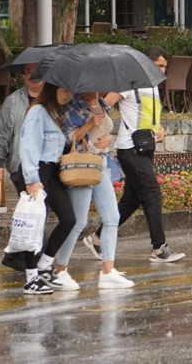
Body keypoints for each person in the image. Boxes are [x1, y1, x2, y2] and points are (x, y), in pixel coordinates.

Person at [83, 45, 185, 263]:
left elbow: (147, 115)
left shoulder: (154, 86)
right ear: (147, 64)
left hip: (146, 147)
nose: (163, 71)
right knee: (152, 193)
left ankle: (97, 238)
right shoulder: (129, 84)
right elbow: (103, 105)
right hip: (129, 149)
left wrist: (159, 128)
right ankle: (159, 248)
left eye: (165, 67)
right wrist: (100, 131)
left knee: (131, 200)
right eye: (159, 66)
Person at [51, 92, 134, 290]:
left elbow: (104, 130)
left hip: (99, 162)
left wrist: (106, 140)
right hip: (81, 164)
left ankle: (108, 271)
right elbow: (69, 138)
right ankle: (59, 270)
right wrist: (89, 123)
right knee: (78, 221)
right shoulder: (71, 105)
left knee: (112, 216)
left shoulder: (101, 103)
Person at [18, 83, 77, 294]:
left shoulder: (57, 113)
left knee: (69, 219)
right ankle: (31, 278)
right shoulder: (37, 112)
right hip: (38, 171)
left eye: (70, 91)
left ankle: (44, 265)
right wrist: (32, 179)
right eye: (65, 90)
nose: (68, 95)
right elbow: (28, 146)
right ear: (53, 89)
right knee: (35, 225)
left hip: (53, 172)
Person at [0, 63, 44, 272]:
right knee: (34, 212)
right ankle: (37, 261)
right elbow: (2, 133)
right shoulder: (13, 102)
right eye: (28, 72)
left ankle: (22, 257)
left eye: (37, 72)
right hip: (21, 164)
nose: (32, 76)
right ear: (24, 77)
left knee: (39, 212)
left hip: (47, 164)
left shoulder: (53, 98)